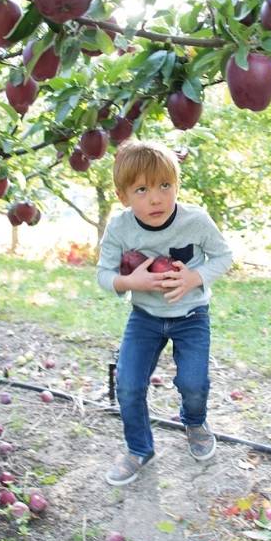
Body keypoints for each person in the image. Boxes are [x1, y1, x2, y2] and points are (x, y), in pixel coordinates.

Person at [96, 140, 233, 486]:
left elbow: (224, 256)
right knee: (127, 385)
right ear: (123, 195)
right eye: (141, 189)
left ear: (177, 185)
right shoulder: (120, 227)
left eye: (164, 186)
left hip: (192, 316)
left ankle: (194, 421)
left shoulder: (196, 221)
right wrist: (131, 282)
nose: (155, 198)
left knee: (193, 382)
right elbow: (103, 275)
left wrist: (194, 277)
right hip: (145, 317)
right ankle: (139, 448)